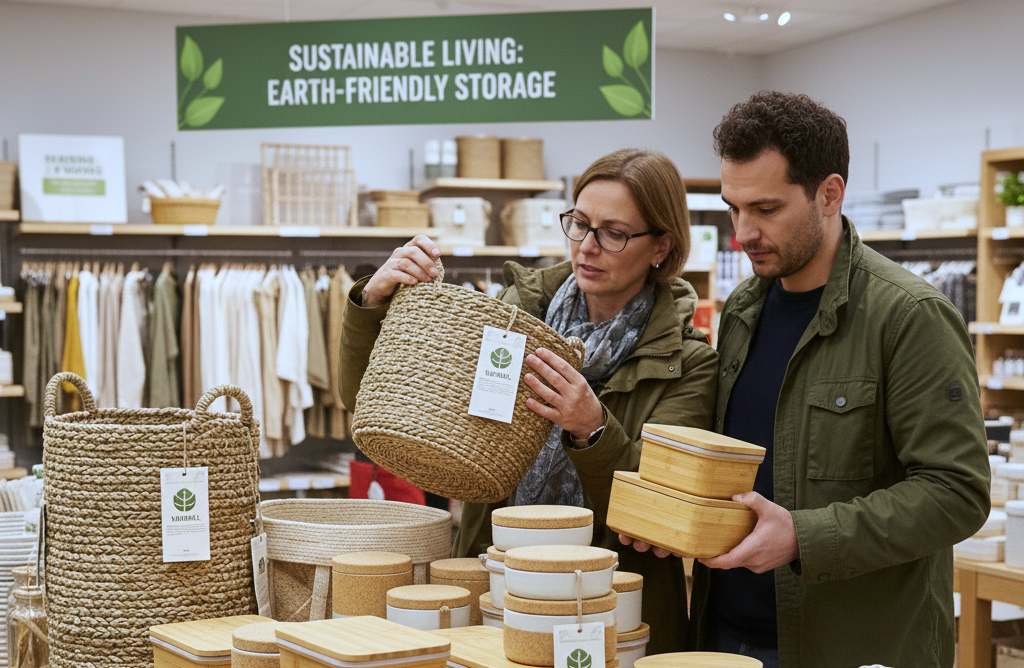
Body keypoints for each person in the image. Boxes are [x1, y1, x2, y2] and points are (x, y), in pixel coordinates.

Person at [620, 91, 990, 667]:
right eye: (733, 209)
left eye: (766, 210)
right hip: (725, 635)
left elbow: (957, 493)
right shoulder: (743, 310)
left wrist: (802, 536)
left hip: (848, 646)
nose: (743, 233)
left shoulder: (908, 316)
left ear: (829, 193)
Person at [340, 148, 718, 652]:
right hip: (497, 587)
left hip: (615, 612)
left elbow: (662, 516)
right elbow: (372, 400)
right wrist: (375, 305)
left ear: (661, 247)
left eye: (614, 232)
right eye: (579, 223)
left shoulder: (689, 363)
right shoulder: (514, 315)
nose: (587, 246)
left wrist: (593, 429)